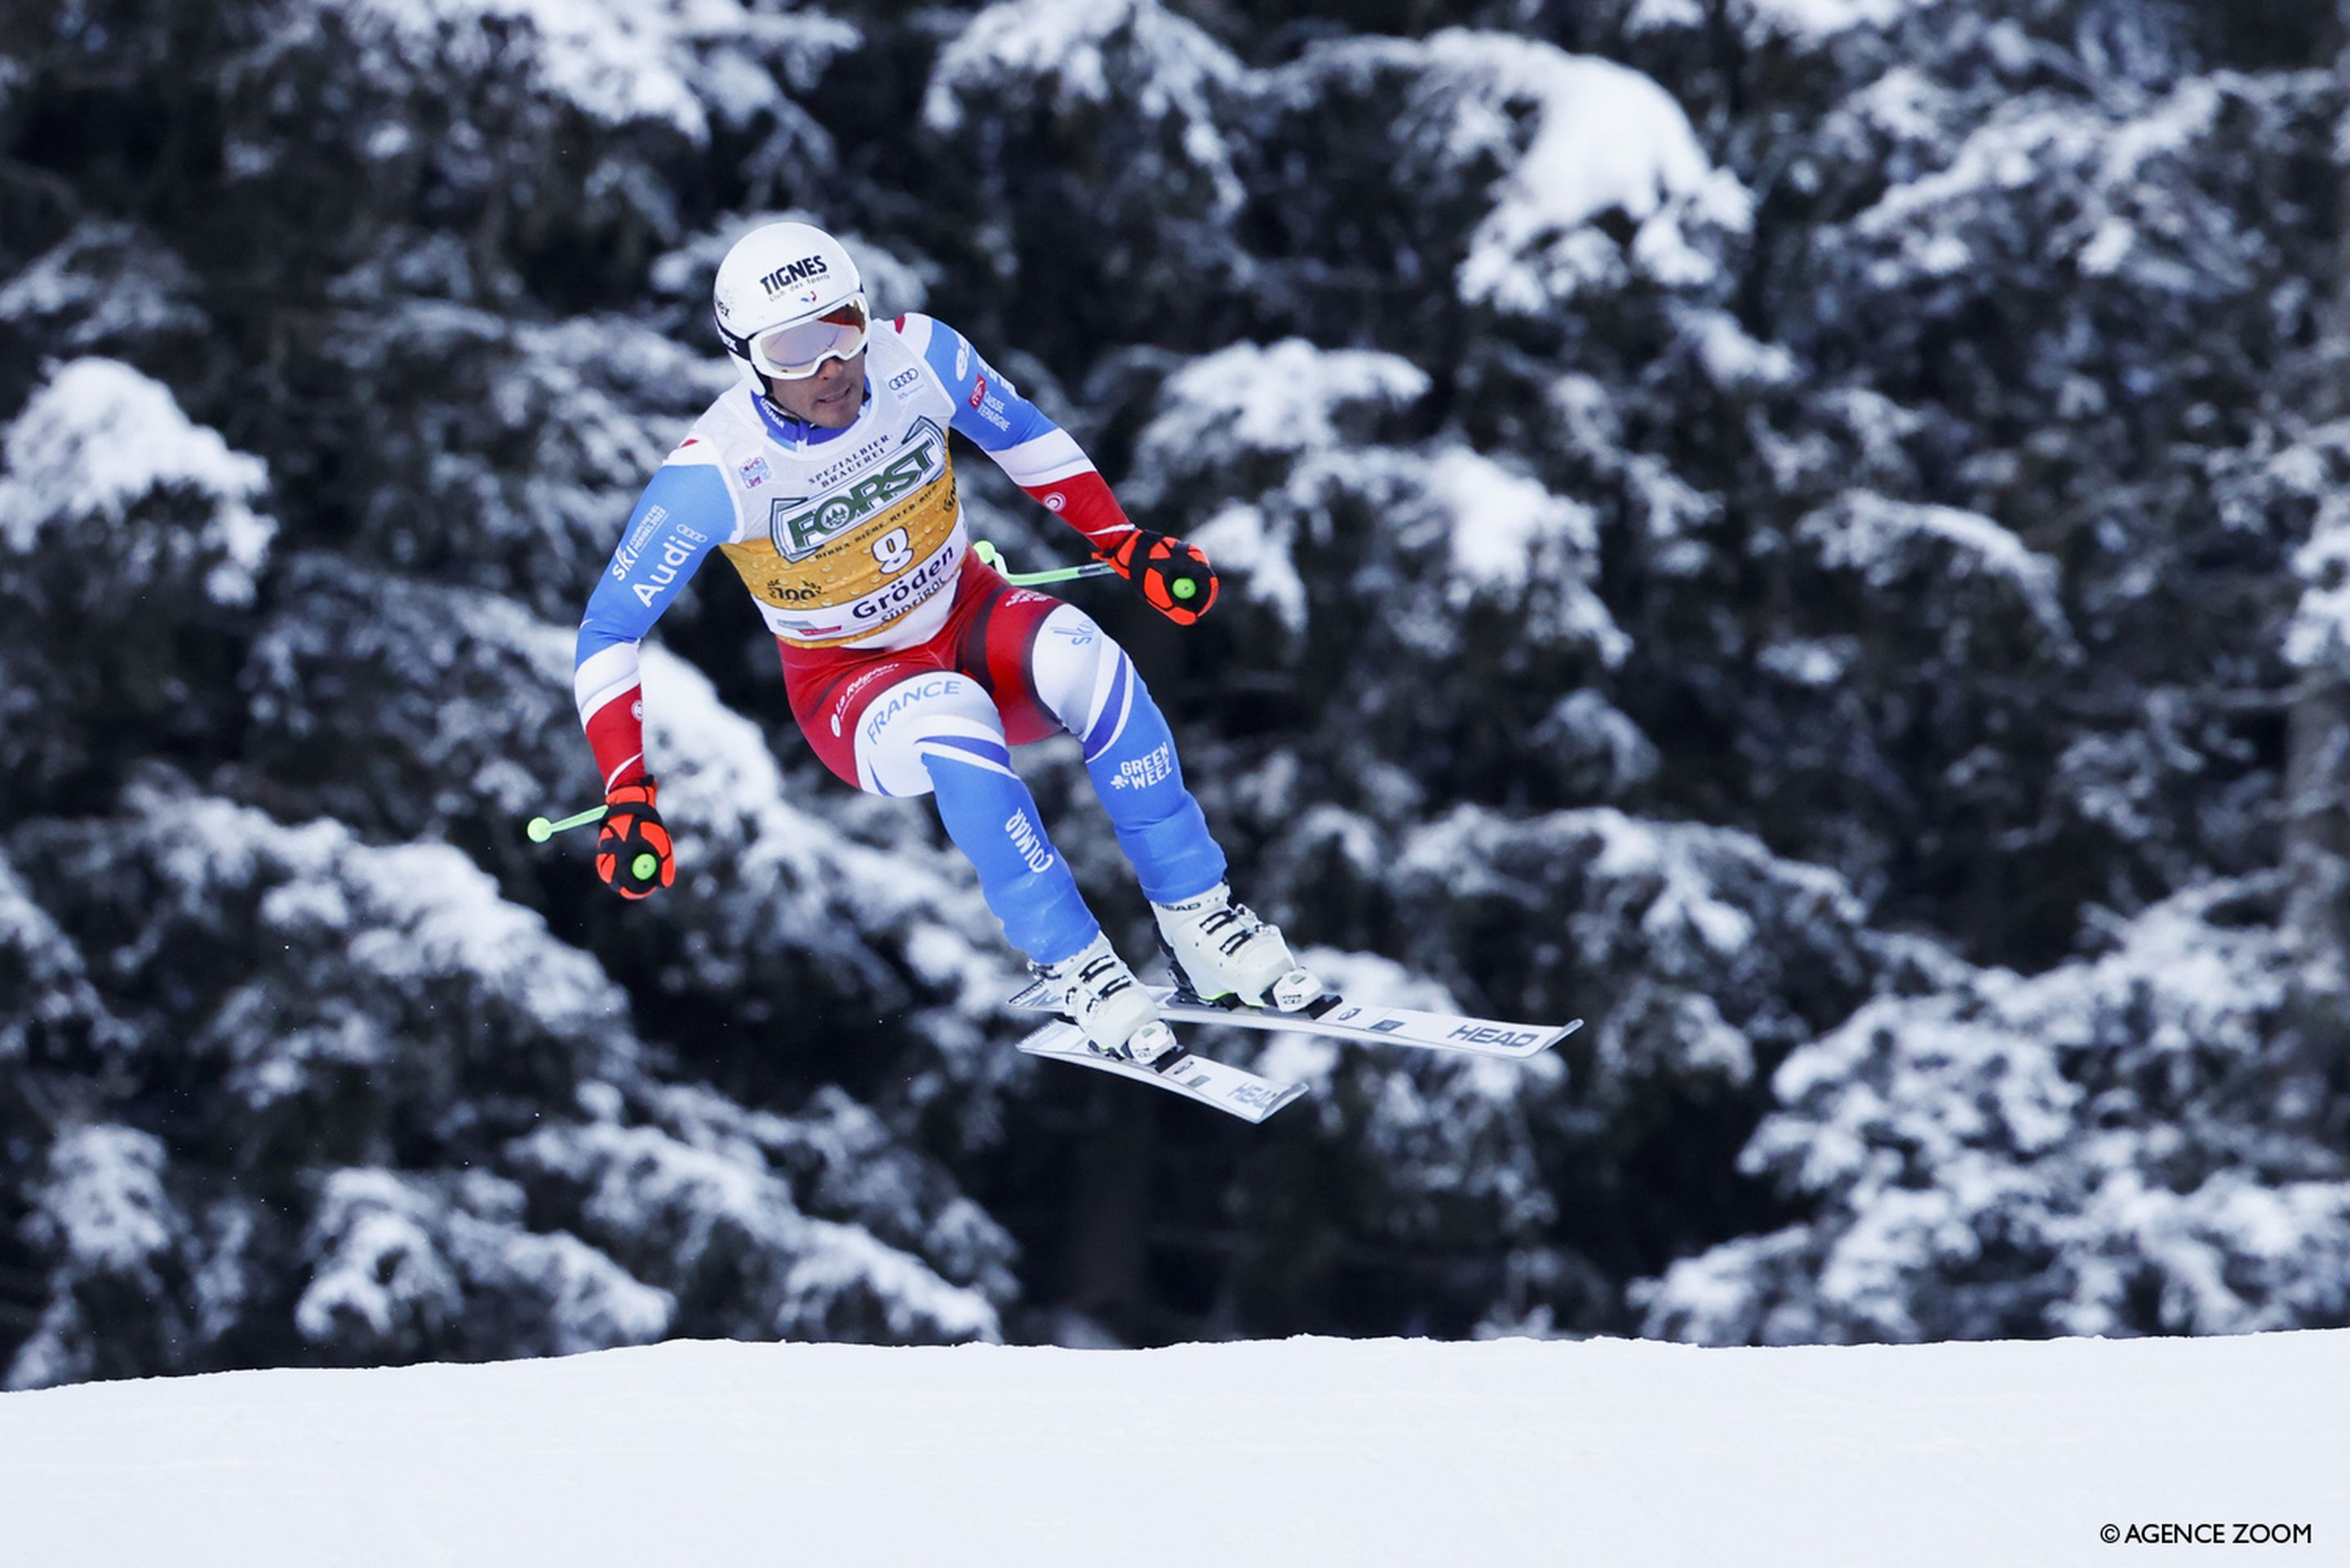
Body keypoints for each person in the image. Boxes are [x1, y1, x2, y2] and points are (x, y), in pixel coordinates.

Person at [572, 221, 1319, 1064]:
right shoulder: (713, 472)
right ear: (747, 359)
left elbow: (1025, 437)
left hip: (969, 615)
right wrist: (627, 786)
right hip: (849, 686)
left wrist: (1122, 539)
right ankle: (1077, 967)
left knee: (1098, 664)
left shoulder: (918, 355)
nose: (830, 367)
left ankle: (1200, 923)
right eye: (794, 349)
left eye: (842, 327)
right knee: (957, 719)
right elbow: (607, 630)